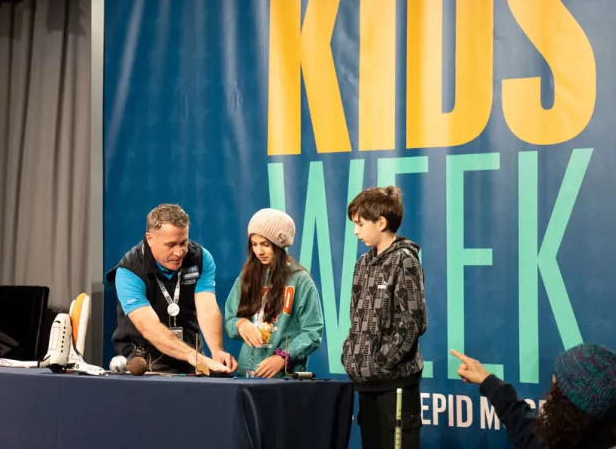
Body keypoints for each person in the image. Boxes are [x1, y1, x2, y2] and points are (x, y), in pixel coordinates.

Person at [341, 186, 428, 449]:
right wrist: (351, 355)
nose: (355, 231)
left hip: (396, 383)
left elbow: (413, 321)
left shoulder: (405, 261)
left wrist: (379, 363)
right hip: (365, 383)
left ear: (381, 222)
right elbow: (356, 319)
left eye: (360, 223)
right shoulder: (362, 264)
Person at [106, 204, 237, 374]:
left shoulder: (201, 258)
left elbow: (208, 309)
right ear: (150, 239)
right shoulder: (129, 271)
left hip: (192, 358)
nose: (179, 252)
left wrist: (217, 350)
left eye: (183, 242)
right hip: (145, 363)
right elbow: (148, 327)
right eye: (170, 245)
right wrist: (193, 356)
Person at [450, 344, 616, 449]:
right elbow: (530, 433)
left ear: (569, 411)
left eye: (556, 386)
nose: (550, 386)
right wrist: (489, 382)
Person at [224, 208, 324, 378]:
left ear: (279, 245)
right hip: (246, 374)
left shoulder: (300, 280)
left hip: (283, 377)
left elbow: (313, 332)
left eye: (265, 244)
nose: (259, 251)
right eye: (254, 244)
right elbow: (229, 319)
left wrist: (283, 357)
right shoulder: (246, 277)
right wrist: (240, 324)